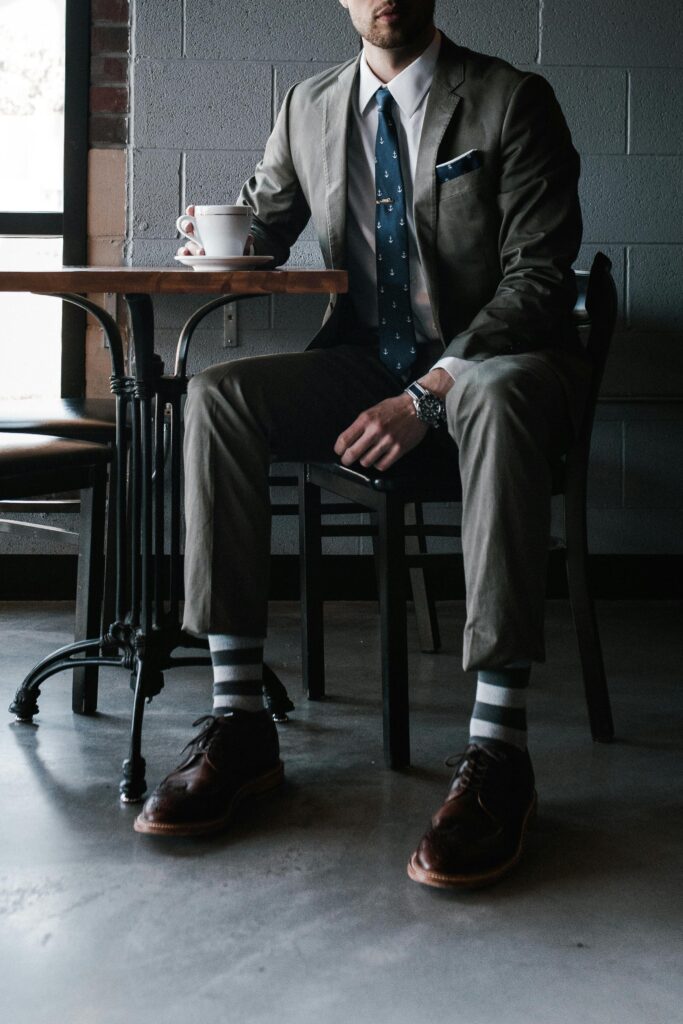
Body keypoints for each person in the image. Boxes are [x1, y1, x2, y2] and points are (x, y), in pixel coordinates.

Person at [134, 0, 590, 890]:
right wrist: (217, 242)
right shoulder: (309, 104)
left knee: (489, 399)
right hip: (361, 360)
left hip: (493, 364)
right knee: (216, 397)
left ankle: (498, 751)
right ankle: (239, 723)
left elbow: (540, 275)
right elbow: (264, 227)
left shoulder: (509, 99)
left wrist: (425, 395)